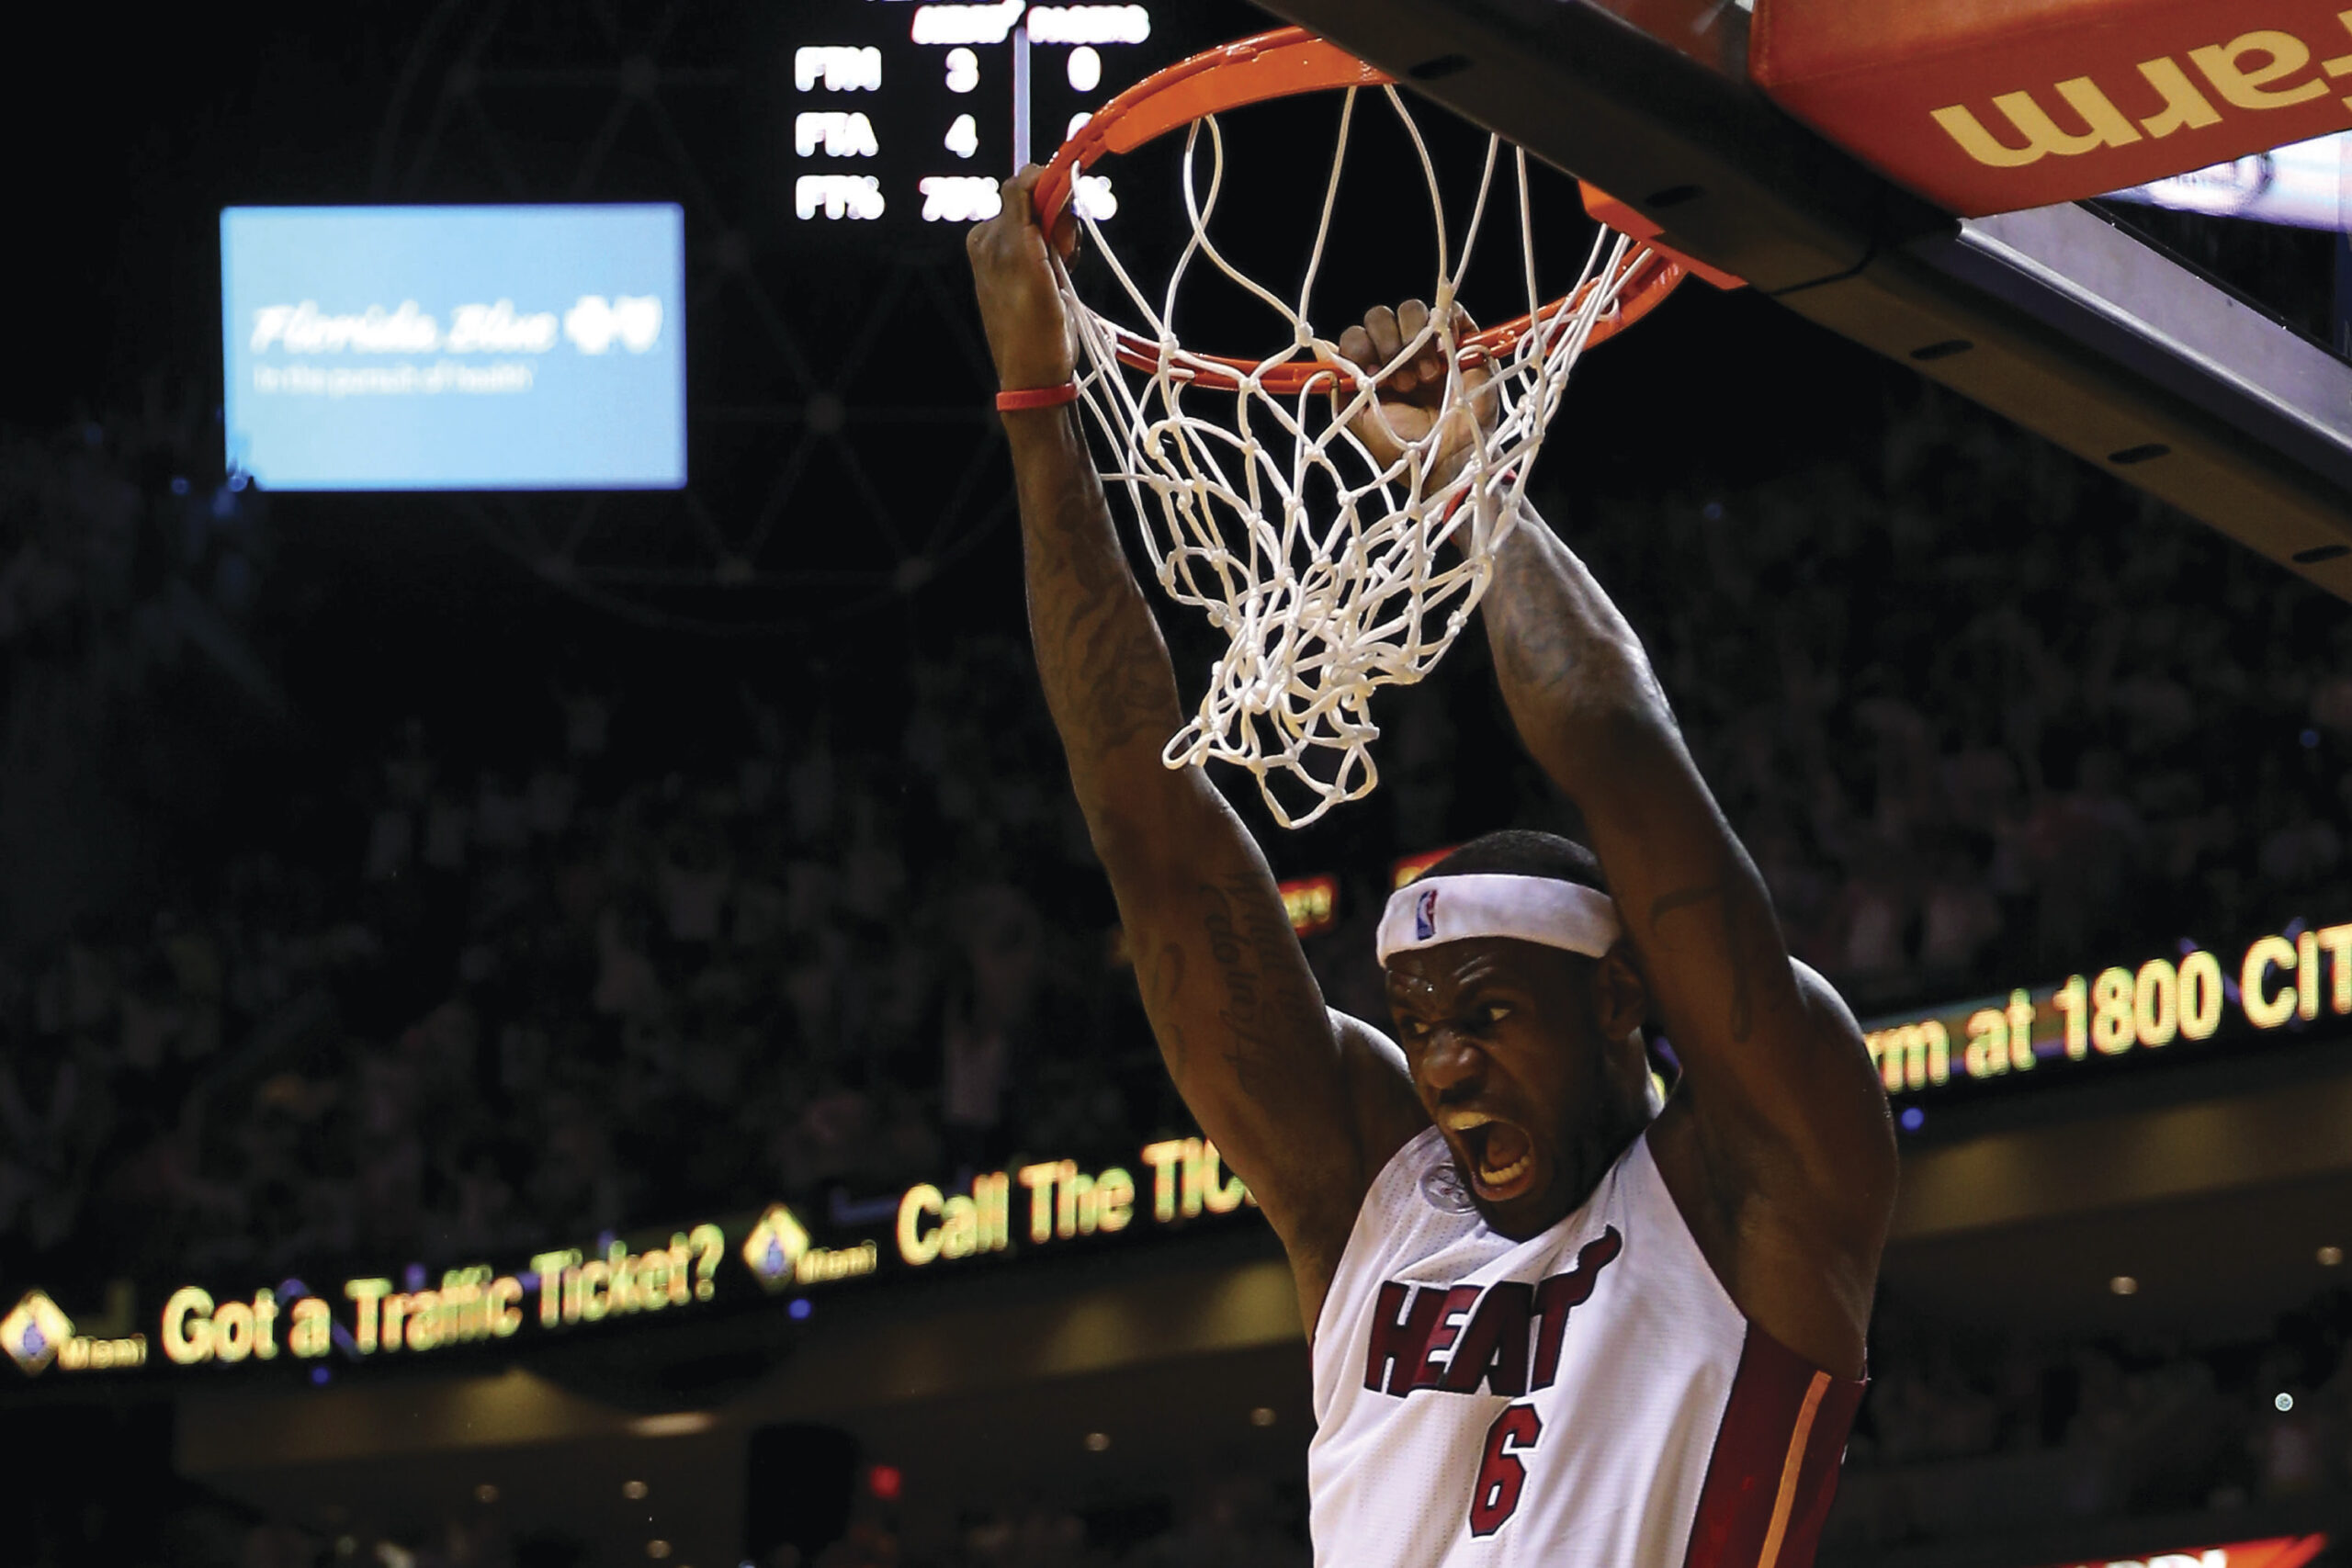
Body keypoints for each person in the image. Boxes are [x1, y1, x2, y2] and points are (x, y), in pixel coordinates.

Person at [967, 166, 1896, 1567]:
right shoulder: (1376, 1208)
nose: (1444, 1064)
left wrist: (1470, 478)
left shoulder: (1753, 1183)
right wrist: (1039, 409)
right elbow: (1147, 828)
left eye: (1487, 1013)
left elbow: (1614, 742)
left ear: (1616, 1003)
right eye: (1419, 1026)